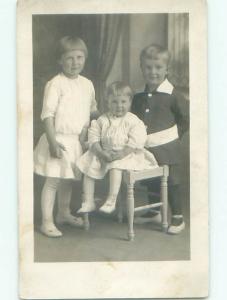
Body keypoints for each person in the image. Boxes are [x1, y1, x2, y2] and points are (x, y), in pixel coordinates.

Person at [34, 36, 99, 237]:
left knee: (68, 180)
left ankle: (63, 213)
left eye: (79, 57)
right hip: (58, 139)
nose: (75, 62)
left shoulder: (87, 84)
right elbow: (47, 115)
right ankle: (47, 221)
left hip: (76, 141)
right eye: (69, 58)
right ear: (60, 61)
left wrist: (93, 132)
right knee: (53, 181)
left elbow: (93, 111)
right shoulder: (55, 84)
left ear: (85, 58)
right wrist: (53, 142)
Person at [131, 44, 189, 234]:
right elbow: (133, 118)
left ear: (167, 69)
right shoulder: (138, 95)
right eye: (148, 67)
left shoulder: (173, 94)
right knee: (151, 180)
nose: (153, 72)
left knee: (171, 180)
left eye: (158, 67)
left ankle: (178, 217)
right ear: (141, 67)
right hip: (147, 146)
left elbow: (185, 119)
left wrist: (173, 137)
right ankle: (154, 211)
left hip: (168, 147)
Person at [76, 81, 158, 214]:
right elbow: (93, 138)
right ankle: (88, 201)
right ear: (108, 102)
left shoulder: (132, 120)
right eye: (114, 102)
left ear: (130, 102)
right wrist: (101, 152)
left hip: (127, 154)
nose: (119, 106)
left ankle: (111, 200)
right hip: (104, 152)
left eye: (123, 102)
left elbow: (135, 141)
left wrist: (121, 153)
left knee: (116, 166)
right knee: (89, 164)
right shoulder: (102, 120)